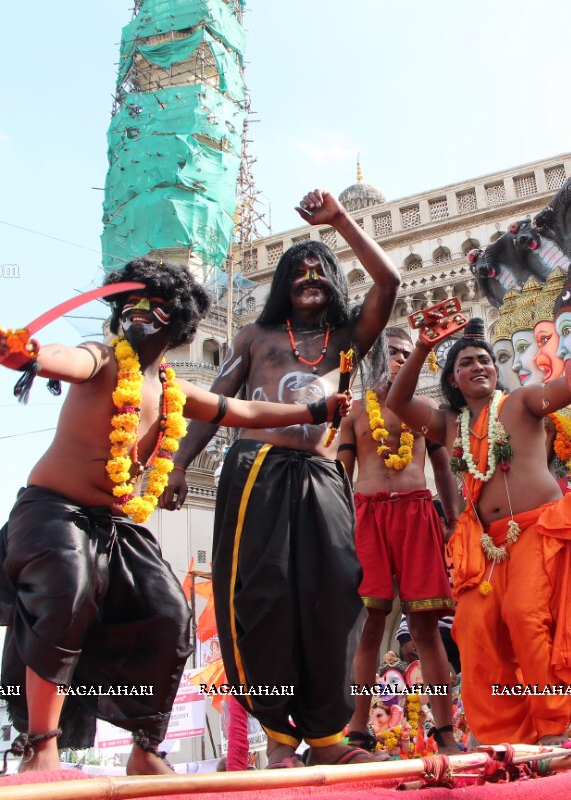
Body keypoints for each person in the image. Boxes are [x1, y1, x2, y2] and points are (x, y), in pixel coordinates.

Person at [0, 258, 350, 774]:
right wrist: (31, 355)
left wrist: (312, 412)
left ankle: (146, 749)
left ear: (178, 321)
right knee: (66, 594)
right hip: (53, 512)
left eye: (152, 305)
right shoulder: (104, 358)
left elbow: (241, 412)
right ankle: (40, 746)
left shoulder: (175, 389)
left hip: (119, 525)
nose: (137, 313)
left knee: (171, 617)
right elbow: (70, 359)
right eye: (128, 304)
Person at [163, 189, 400, 768]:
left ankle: (326, 738)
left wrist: (338, 220)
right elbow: (214, 403)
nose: (310, 276)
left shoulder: (346, 340)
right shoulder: (255, 339)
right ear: (282, 285)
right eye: (298, 271)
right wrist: (177, 464)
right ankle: (277, 737)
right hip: (257, 475)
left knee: (335, 595)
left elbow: (389, 283)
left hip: (322, 473)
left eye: (320, 270)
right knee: (262, 599)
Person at [386, 316, 571, 745]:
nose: (479, 366)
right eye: (466, 362)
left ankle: (551, 729)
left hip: (537, 530)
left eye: (485, 359)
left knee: (526, 618)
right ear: (453, 377)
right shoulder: (449, 425)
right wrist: (424, 347)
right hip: (487, 545)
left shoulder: (522, 401)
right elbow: (397, 401)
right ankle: (504, 734)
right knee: (473, 628)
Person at [337, 327, 462, 754]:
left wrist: (454, 519)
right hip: (368, 516)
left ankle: (445, 733)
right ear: (374, 359)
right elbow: (341, 475)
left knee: (426, 629)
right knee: (368, 627)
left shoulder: (424, 411)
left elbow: (443, 470)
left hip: (417, 513)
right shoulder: (355, 412)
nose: (399, 359)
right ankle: (356, 732)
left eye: (407, 354)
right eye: (391, 353)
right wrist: (338, 525)